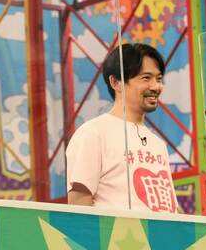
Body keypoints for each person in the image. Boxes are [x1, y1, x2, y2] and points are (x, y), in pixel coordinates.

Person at [66, 43, 178, 213]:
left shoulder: (158, 144)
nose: (155, 86)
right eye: (146, 78)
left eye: (159, 78)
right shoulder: (93, 133)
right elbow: (79, 206)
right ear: (116, 82)